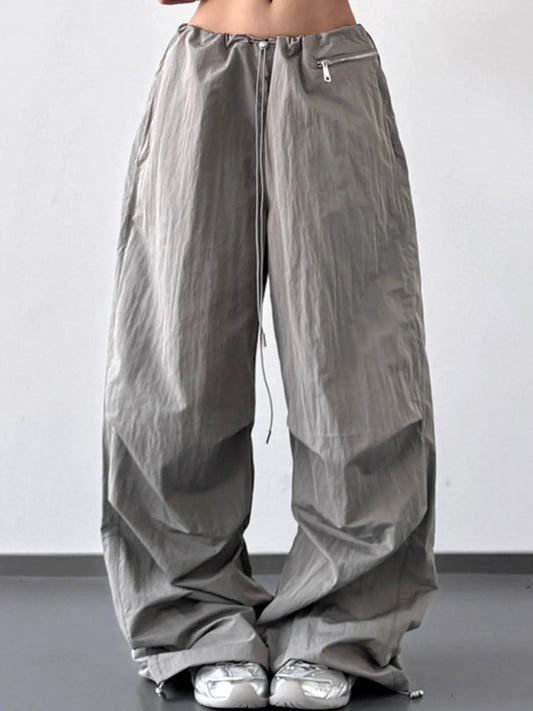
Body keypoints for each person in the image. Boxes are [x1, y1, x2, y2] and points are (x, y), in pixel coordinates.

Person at [100, 0, 439, 708]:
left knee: (356, 365)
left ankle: (340, 627)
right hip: (205, 74)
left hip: (332, 67)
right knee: (177, 364)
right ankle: (195, 624)